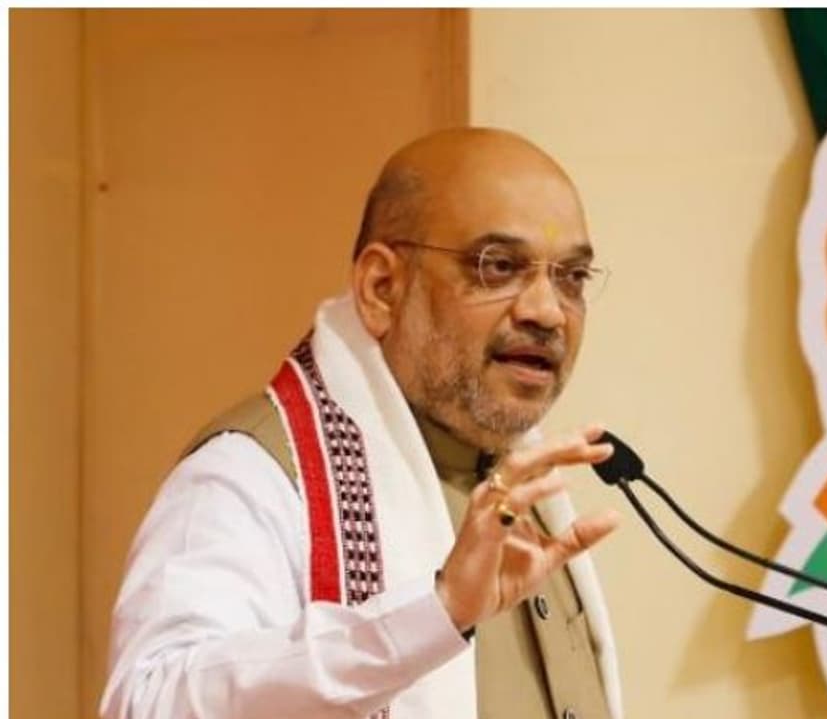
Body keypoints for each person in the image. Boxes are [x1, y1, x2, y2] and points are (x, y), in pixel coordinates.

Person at [100, 128, 625, 719]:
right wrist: (435, 612)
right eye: (497, 267)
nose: (547, 312)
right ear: (382, 289)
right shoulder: (251, 475)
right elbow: (151, 702)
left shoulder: (522, 482)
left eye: (572, 277)